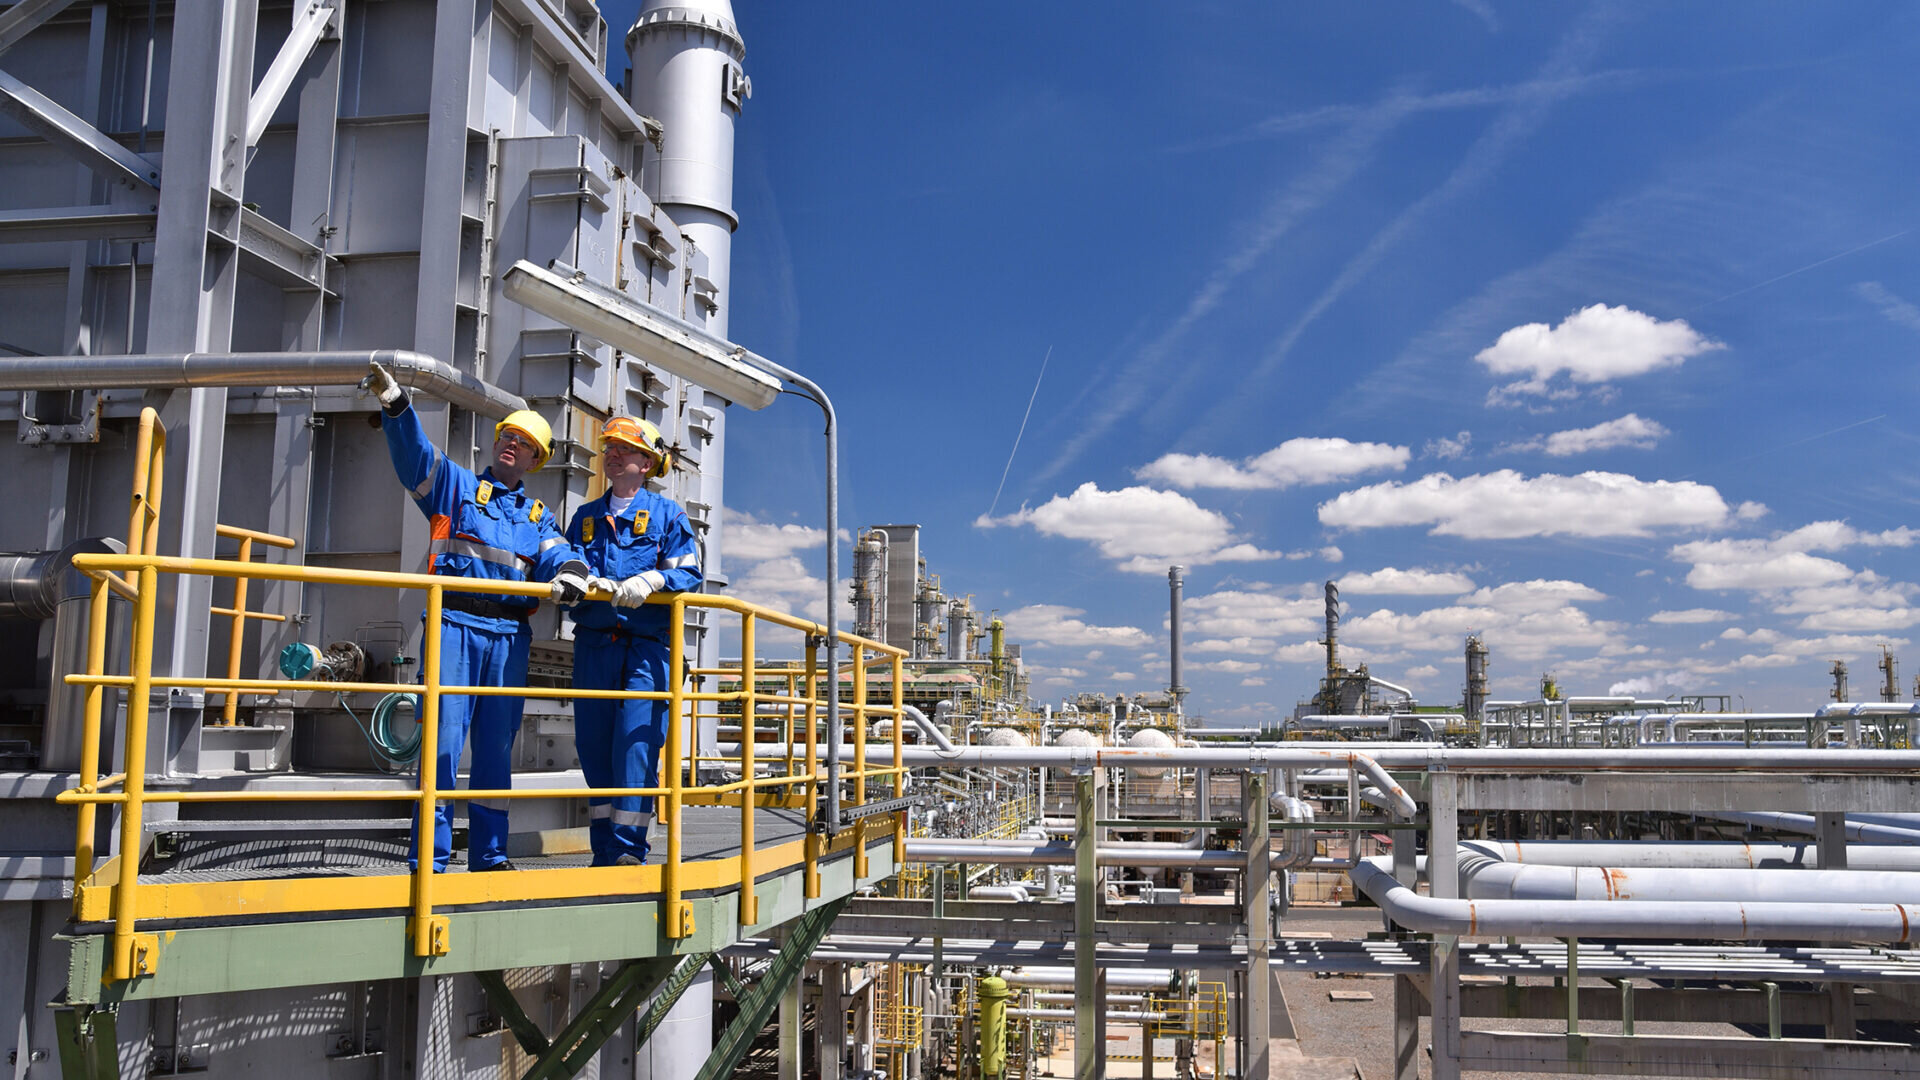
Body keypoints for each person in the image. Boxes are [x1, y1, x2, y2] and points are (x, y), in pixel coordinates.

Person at [363, 363, 591, 872]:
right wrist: (398, 405)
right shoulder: (456, 488)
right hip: (454, 629)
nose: (512, 445)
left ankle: (489, 855)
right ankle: (432, 859)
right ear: (496, 444)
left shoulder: (537, 518)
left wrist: (575, 573)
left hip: (509, 638)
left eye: (524, 443)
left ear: (536, 459)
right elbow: (415, 459)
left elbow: (560, 554)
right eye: (507, 436)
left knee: (494, 752)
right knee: (442, 748)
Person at [566, 416, 703, 866]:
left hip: (647, 649)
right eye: (609, 448)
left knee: (635, 747)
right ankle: (603, 849)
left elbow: (690, 572)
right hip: (593, 645)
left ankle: (627, 852)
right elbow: (569, 566)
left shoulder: (667, 515)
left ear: (646, 462)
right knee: (593, 745)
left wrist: (653, 578)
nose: (613, 454)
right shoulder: (585, 519)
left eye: (624, 449)